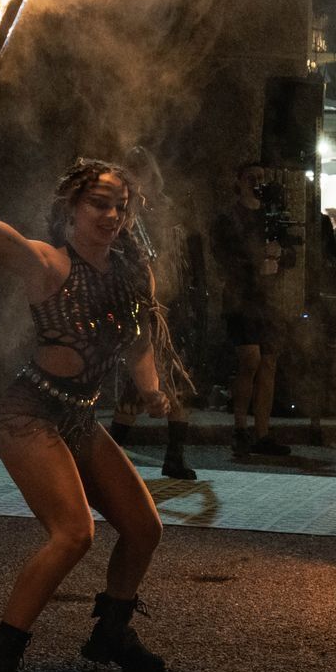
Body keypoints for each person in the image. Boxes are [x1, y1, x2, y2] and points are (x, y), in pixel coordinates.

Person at [0, 106, 171, 672]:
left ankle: (111, 633)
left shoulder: (131, 272)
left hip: (78, 417)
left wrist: (151, 388)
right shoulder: (48, 264)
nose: (112, 216)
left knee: (143, 528)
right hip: (28, 413)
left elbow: (138, 337)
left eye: (120, 207)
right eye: (100, 203)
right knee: (74, 534)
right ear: (72, 208)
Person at [107, 144, 198, 481]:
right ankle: (108, 459)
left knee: (175, 380)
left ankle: (173, 457)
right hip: (143, 306)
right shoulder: (125, 213)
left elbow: (176, 256)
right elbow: (136, 259)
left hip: (168, 305)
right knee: (140, 383)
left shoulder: (161, 209)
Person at [213, 163, 291, 458]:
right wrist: (258, 261)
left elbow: (291, 252)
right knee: (250, 360)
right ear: (239, 181)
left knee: (268, 362)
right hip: (241, 296)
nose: (257, 183)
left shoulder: (271, 217)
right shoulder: (228, 217)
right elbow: (224, 257)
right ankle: (240, 428)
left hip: (267, 298)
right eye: (251, 178)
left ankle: (262, 433)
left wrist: (280, 255)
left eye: (261, 178)